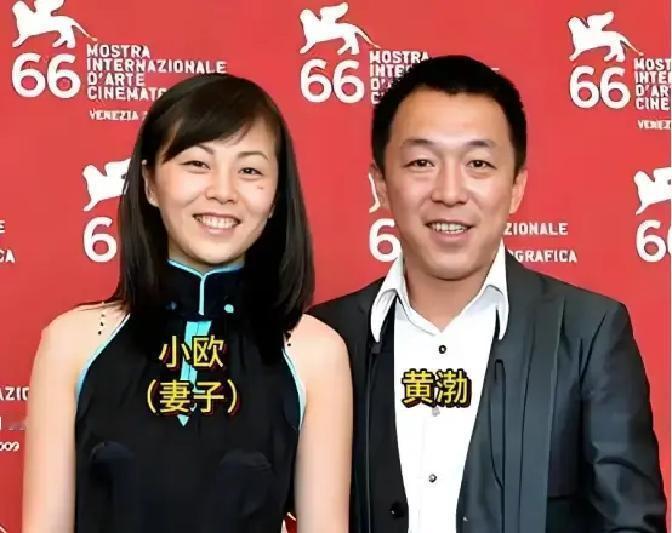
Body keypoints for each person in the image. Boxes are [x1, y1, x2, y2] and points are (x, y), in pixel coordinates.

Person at [310, 55, 666, 533]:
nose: (449, 192)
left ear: (516, 187)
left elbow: (629, 523)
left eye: (478, 163)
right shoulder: (326, 339)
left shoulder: (589, 333)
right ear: (381, 184)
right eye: (421, 162)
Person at [23, 73, 352, 533]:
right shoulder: (72, 343)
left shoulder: (314, 352)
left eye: (250, 170)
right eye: (197, 163)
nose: (223, 191)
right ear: (149, 184)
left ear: (276, 196)